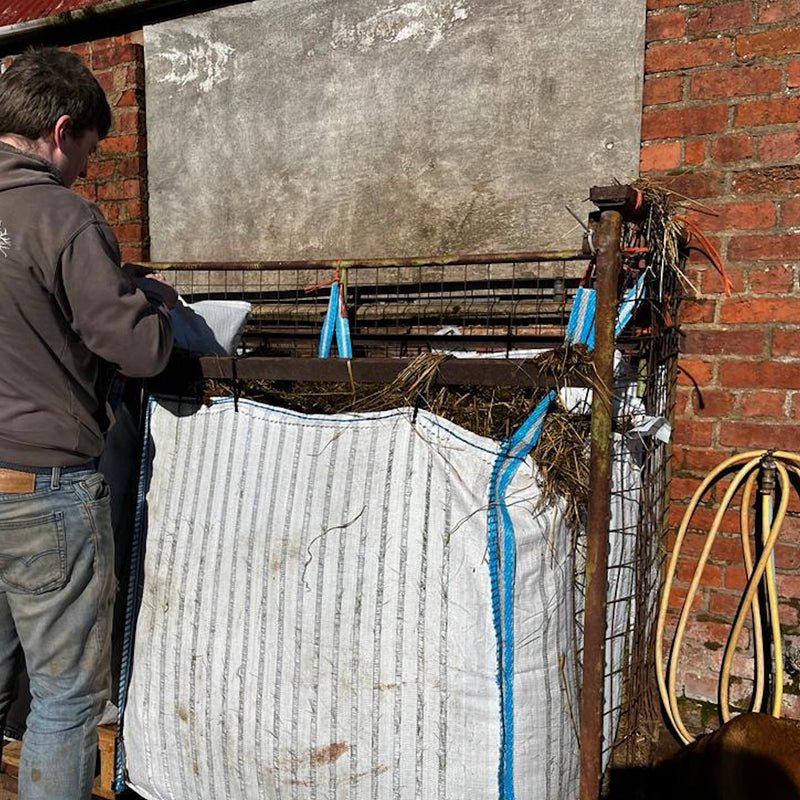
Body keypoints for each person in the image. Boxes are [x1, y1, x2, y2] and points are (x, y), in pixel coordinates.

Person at [0, 48, 175, 799]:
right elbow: (136, 351)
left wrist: (112, 278)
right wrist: (155, 308)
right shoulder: (63, 216)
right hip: (44, 491)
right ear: (62, 130)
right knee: (67, 701)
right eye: (88, 152)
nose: (85, 169)